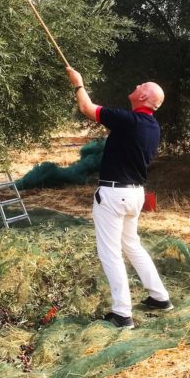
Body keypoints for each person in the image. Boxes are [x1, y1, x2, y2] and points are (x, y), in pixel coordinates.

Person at [66, 66, 173, 329]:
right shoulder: (152, 127)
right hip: (134, 195)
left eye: (141, 85)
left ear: (145, 97)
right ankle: (159, 297)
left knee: (110, 253)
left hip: (114, 195)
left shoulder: (129, 121)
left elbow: (87, 108)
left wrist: (78, 83)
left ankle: (122, 314)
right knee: (132, 245)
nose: (136, 85)